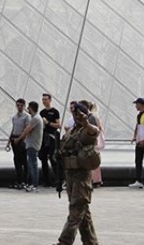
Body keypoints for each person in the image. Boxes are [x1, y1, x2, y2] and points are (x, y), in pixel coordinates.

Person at [54, 102, 100, 245]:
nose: (75, 116)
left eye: (78, 114)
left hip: (81, 177)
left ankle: (64, 242)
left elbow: (94, 132)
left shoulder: (85, 132)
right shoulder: (71, 132)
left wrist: (86, 123)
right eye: (74, 113)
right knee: (82, 212)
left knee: (75, 211)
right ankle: (91, 242)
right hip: (71, 176)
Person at [16, 101, 43, 192]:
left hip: (32, 144)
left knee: (33, 165)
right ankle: (33, 183)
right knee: (31, 165)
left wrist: (19, 139)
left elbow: (27, 130)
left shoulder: (35, 118)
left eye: (28, 107)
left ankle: (34, 184)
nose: (27, 109)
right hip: (32, 144)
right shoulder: (36, 118)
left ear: (31, 108)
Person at [129, 97, 144, 188]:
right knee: (138, 161)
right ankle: (139, 180)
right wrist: (135, 137)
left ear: (142, 105)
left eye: (137, 104)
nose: (135, 106)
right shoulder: (139, 115)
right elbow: (138, 126)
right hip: (139, 142)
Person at [39, 93, 62, 188]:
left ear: (50, 100)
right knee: (43, 159)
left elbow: (58, 125)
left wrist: (48, 122)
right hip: (44, 138)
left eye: (45, 99)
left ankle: (58, 180)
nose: (44, 101)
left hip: (52, 137)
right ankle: (46, 180)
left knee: (53, 158)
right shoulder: (41, 112)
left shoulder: (55, 111)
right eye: (43, 99)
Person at [7, 98, 29, 189]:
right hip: (14, 138)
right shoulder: (14, 117)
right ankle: (19, 180)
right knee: (16, 160)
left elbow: (27, 129)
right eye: (18, 105)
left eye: (21, 105)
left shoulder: (27, 116)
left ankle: (24, 181)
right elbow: (13, 128)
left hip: (22, 140)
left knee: (24, 161)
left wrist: (21, 139)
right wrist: (8, 141)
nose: (19, 107)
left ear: (24, 106)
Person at [88, 102, 104, 188]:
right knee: (96, 161)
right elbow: (101, 128)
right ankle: (97, 180)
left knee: (92, 161)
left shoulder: (91, 117)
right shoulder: (97, 117)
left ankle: (94, 179)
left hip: (93, 141)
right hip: (96, 141)